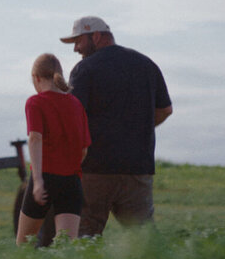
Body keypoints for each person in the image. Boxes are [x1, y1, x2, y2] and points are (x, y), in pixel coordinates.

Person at [57, 16, 173, 237]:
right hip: (138, 169)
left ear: (97, 36)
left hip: (95, 169)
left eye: (78, 41)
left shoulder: (85, 69)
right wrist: (137, 130)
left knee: (85, 236)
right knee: (143, 239)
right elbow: (165, 110)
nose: (76, 49)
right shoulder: (147, 65)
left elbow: (72, 117)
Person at [16, 53, 91, 246]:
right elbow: (84, 150)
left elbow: (35, 138)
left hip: (45, 179)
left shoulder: (35, 102)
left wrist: (39, 181)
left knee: (23, 245)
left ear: (37, 78)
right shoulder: (76, 104)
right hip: (71, 182)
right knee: (66, 248)